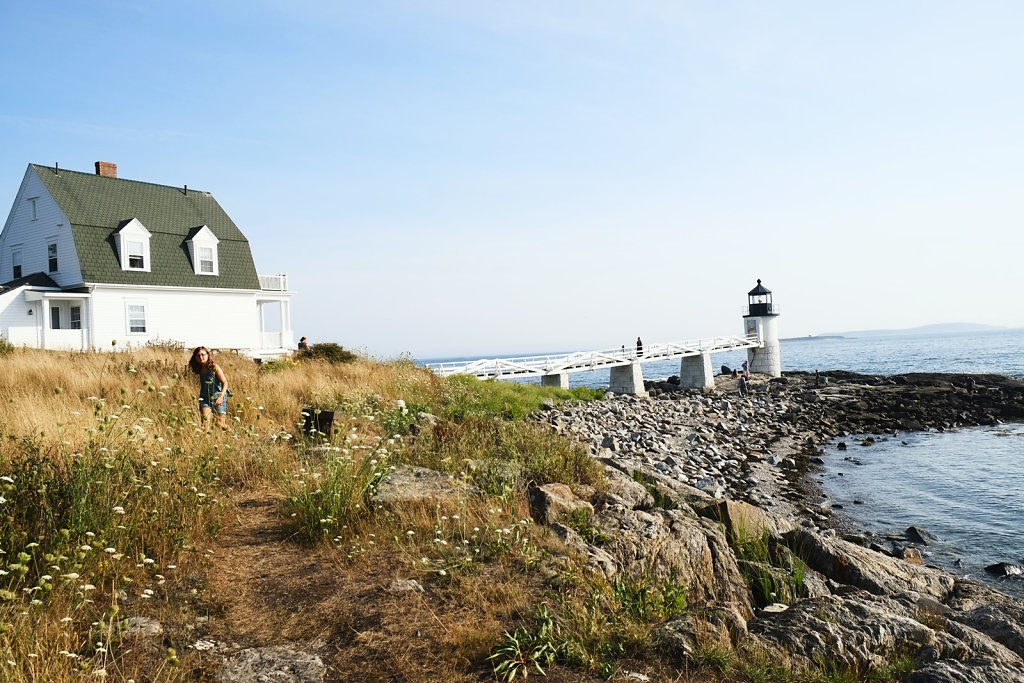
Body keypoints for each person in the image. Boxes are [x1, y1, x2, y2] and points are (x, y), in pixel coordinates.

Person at [189, 346, 228, 431]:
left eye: (203, 355)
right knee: (205, 423)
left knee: (220, 424)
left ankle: (235, 435)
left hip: (217, 397)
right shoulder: (199, 369)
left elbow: (225, 382)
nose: (201, 357)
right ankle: (206, 441)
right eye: (198, 356)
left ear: (208, 355)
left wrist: (221, 396)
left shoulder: (214, 367)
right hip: (205, 398)